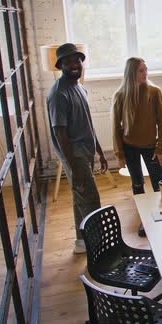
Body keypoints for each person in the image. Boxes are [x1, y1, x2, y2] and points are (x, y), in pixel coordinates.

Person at [46, 43, 108, 254]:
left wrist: (99, 150)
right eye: (69, 61)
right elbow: (59, 132)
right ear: (61, 65)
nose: (74, 64)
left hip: (86, 149)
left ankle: (81, 241)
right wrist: (72, 166)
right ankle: (99, 245)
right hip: (75, 153)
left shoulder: (79, 87)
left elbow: (87, 123)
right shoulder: (58, 94)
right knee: (90, 198)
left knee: (79, 196)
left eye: (77, 60)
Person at [111, 57, 162, 237]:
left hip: (151, 146)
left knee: (159, 182)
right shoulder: (120, 95)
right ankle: (144, 219)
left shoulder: (154, 91)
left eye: (146, 69)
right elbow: (115, 127)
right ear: (131, 73)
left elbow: (161, 122)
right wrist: (119, 154)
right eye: (141, 70)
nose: (145, 73)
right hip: (130, 147)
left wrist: (160, 148)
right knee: (137, 184)